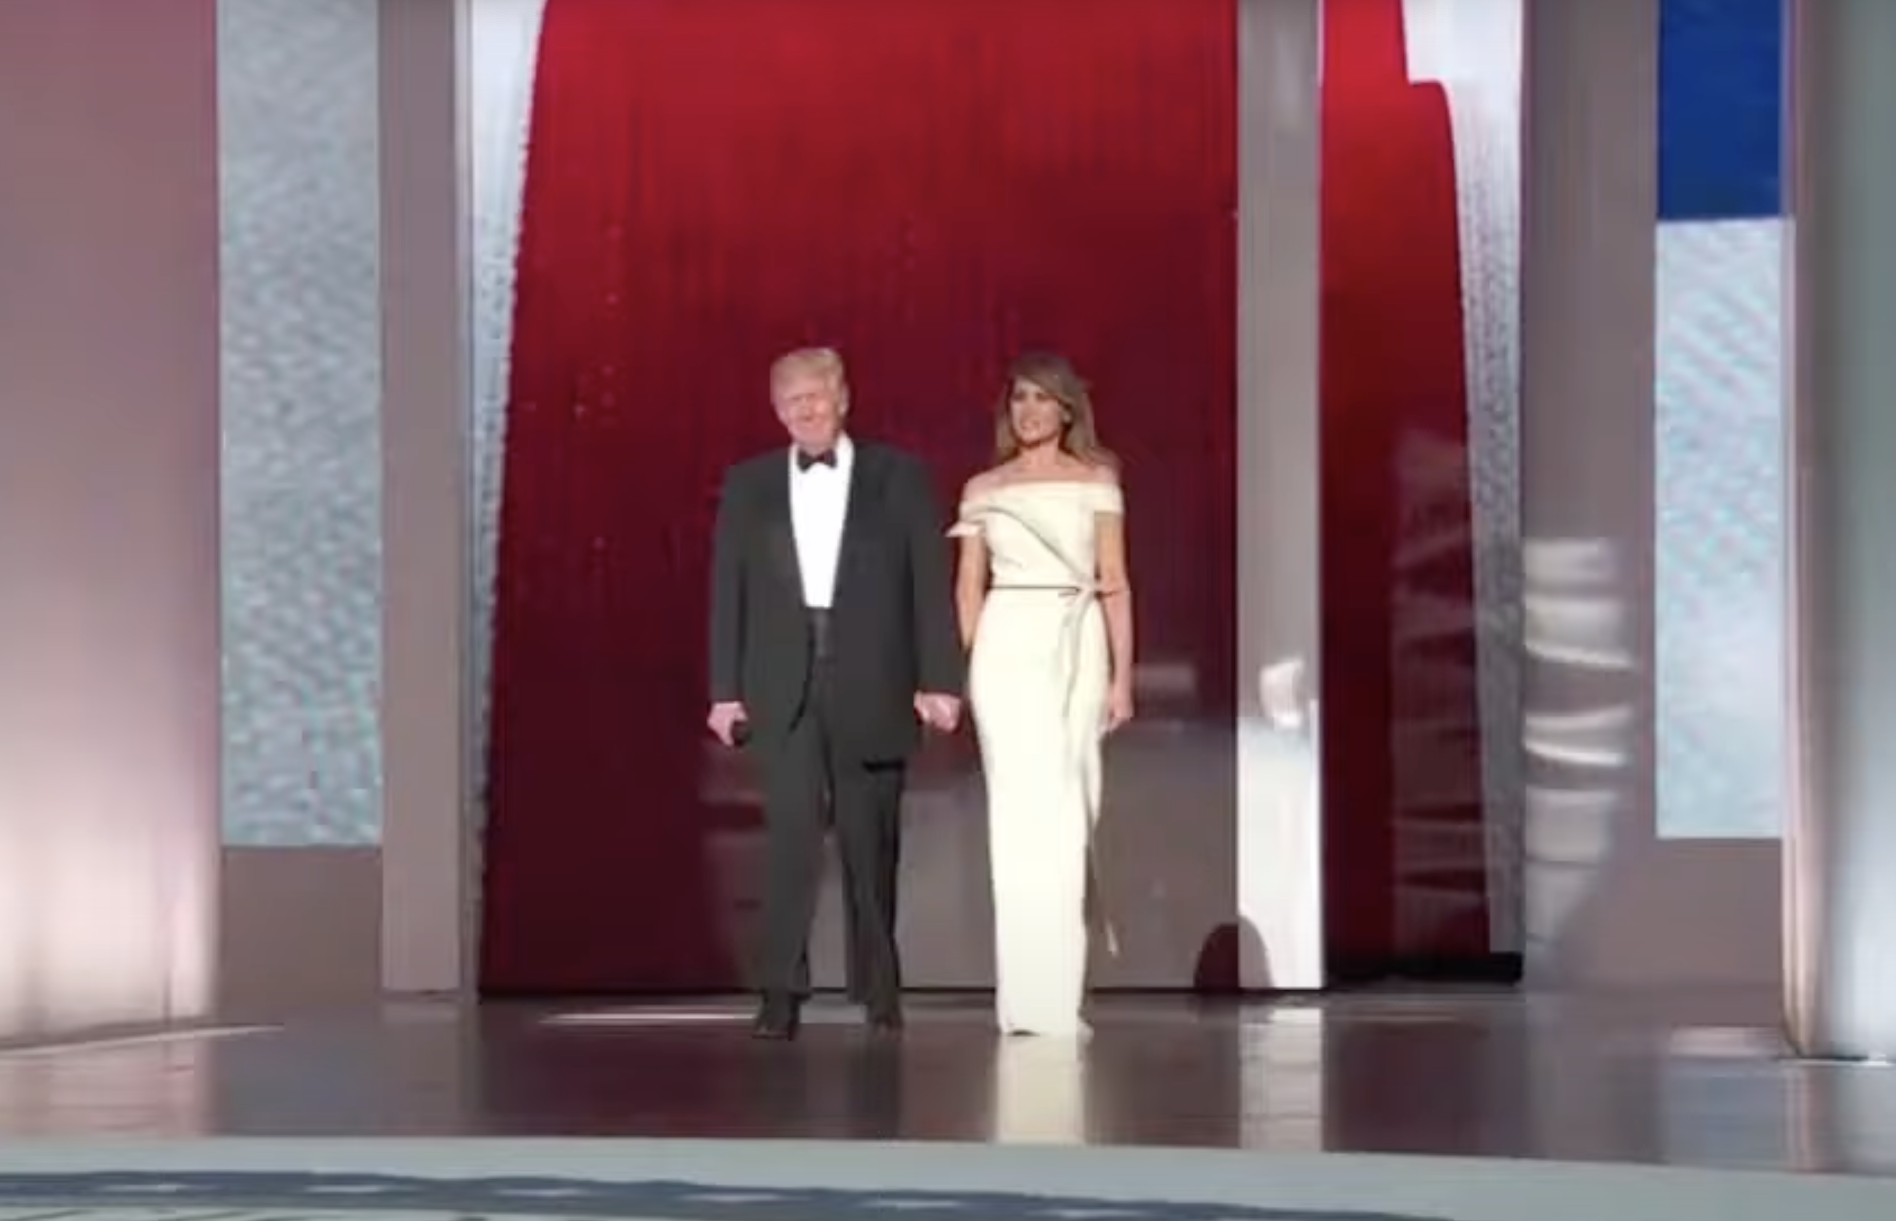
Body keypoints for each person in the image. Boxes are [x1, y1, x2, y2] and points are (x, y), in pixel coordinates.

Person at [707, 346, 963, 1041]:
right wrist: (724, 690)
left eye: (814, 396)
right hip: (780, 683)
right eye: (790, 401)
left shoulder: (898, 477)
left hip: (873, 676)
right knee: (790, 844)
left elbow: (927, 583)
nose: (805, 410)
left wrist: (940, 679)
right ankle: (779, 993)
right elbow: (728, 587)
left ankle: (879, 990)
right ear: (776, 411)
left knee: (869, 840)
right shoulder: (750, 483)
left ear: (843, 398)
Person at [950, 352, 1134, 1039]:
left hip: (1077, 639)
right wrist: (968, 668)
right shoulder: (984, 487)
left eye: (1042, 398)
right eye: (1020, 398)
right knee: (1016, 822)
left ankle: (1061, 998)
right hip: (1006, 645)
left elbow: (1114, 581)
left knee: (1068, 814)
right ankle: (1025, 1002)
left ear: (1066, 409)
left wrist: (1121, 677)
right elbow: (968, 586)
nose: (1029, 410)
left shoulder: (1096, 481)